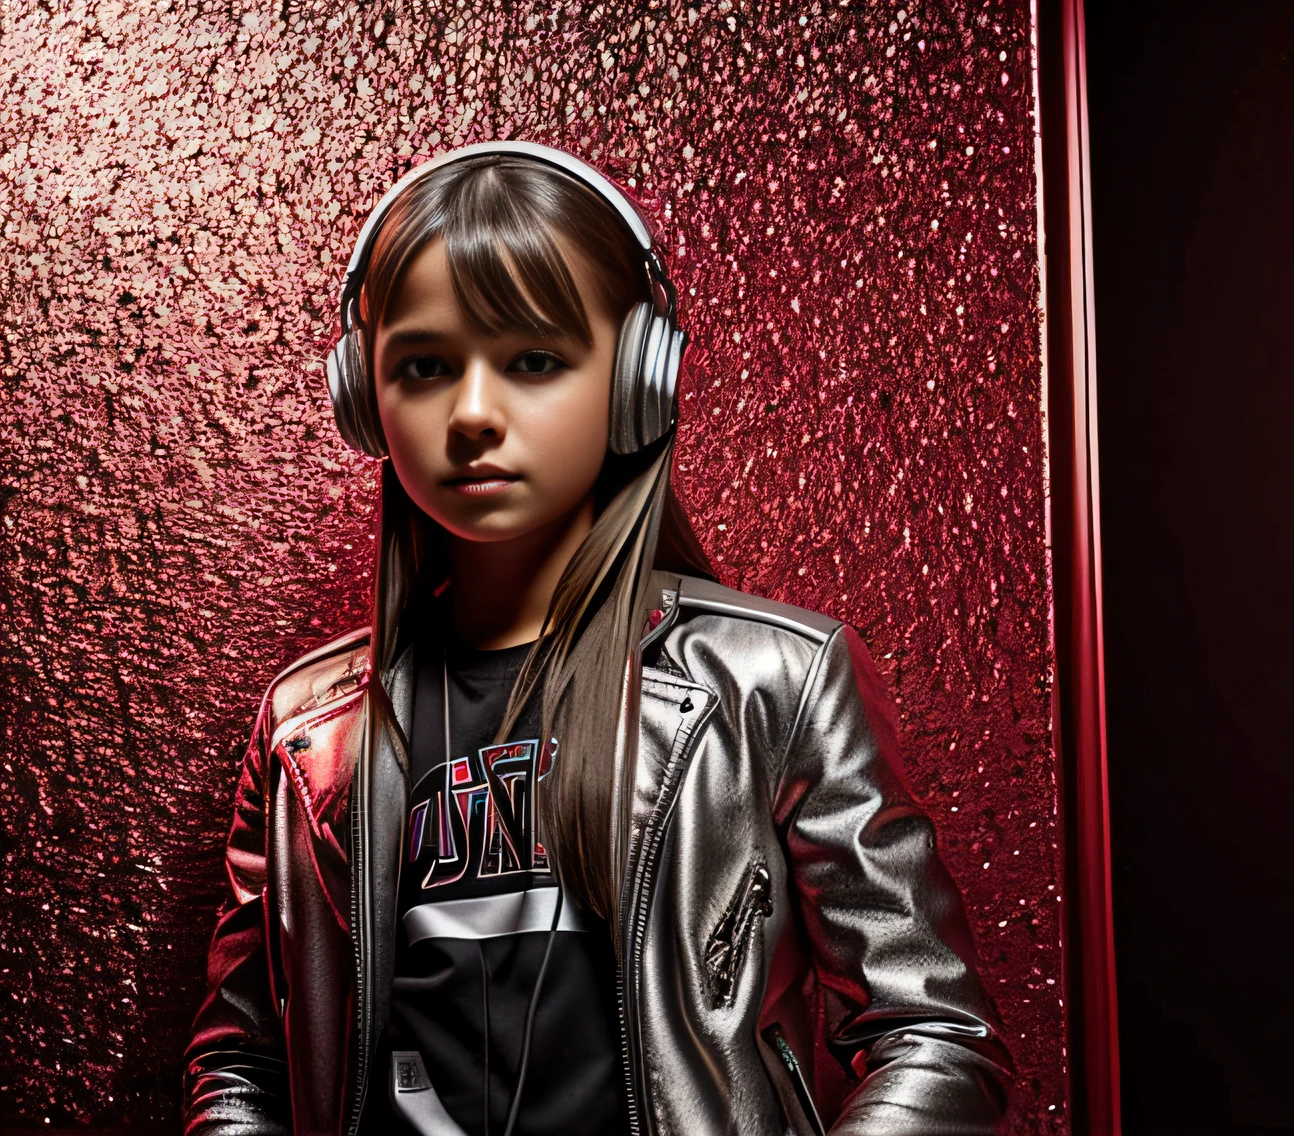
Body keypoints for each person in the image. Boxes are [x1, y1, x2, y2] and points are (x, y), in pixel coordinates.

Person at [183, 143, 1009, 1136]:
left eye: (533, 360)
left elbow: (934, 1031)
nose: (475, 413)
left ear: (635, 384)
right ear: (365, 397)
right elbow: (240, 1067)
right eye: (425, 366)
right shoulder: (306, 728)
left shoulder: (772, 683)